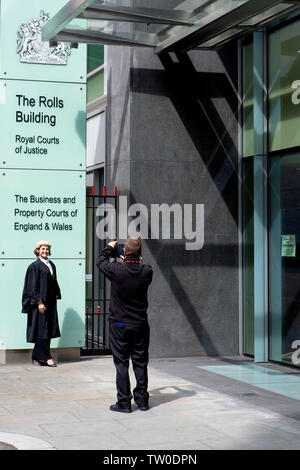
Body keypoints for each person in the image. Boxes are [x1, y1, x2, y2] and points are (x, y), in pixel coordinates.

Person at [97, 237, 153, 413]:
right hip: (139, 324)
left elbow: (100, 261)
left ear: (123, 252)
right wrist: (129, 260)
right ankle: (142, 401)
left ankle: (124, 402)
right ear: (141, 252)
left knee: (121, 363)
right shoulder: (147, 272)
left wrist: (108, 248)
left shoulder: (117, 270)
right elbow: (135, 269)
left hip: (119, 323)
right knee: (140, 362)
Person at [21, 240, 61, 367]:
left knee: (47, 328)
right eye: (42, 249)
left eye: (47, 249)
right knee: (42, 328)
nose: (45, 251)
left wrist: (56, 293)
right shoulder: (34, 266)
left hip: (50, 302)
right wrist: (39, 302)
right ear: (37, 250)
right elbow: (31, 286)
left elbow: (54, 281)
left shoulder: (51, 264)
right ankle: (46, 357)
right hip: (40, 302)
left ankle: (38, 356)